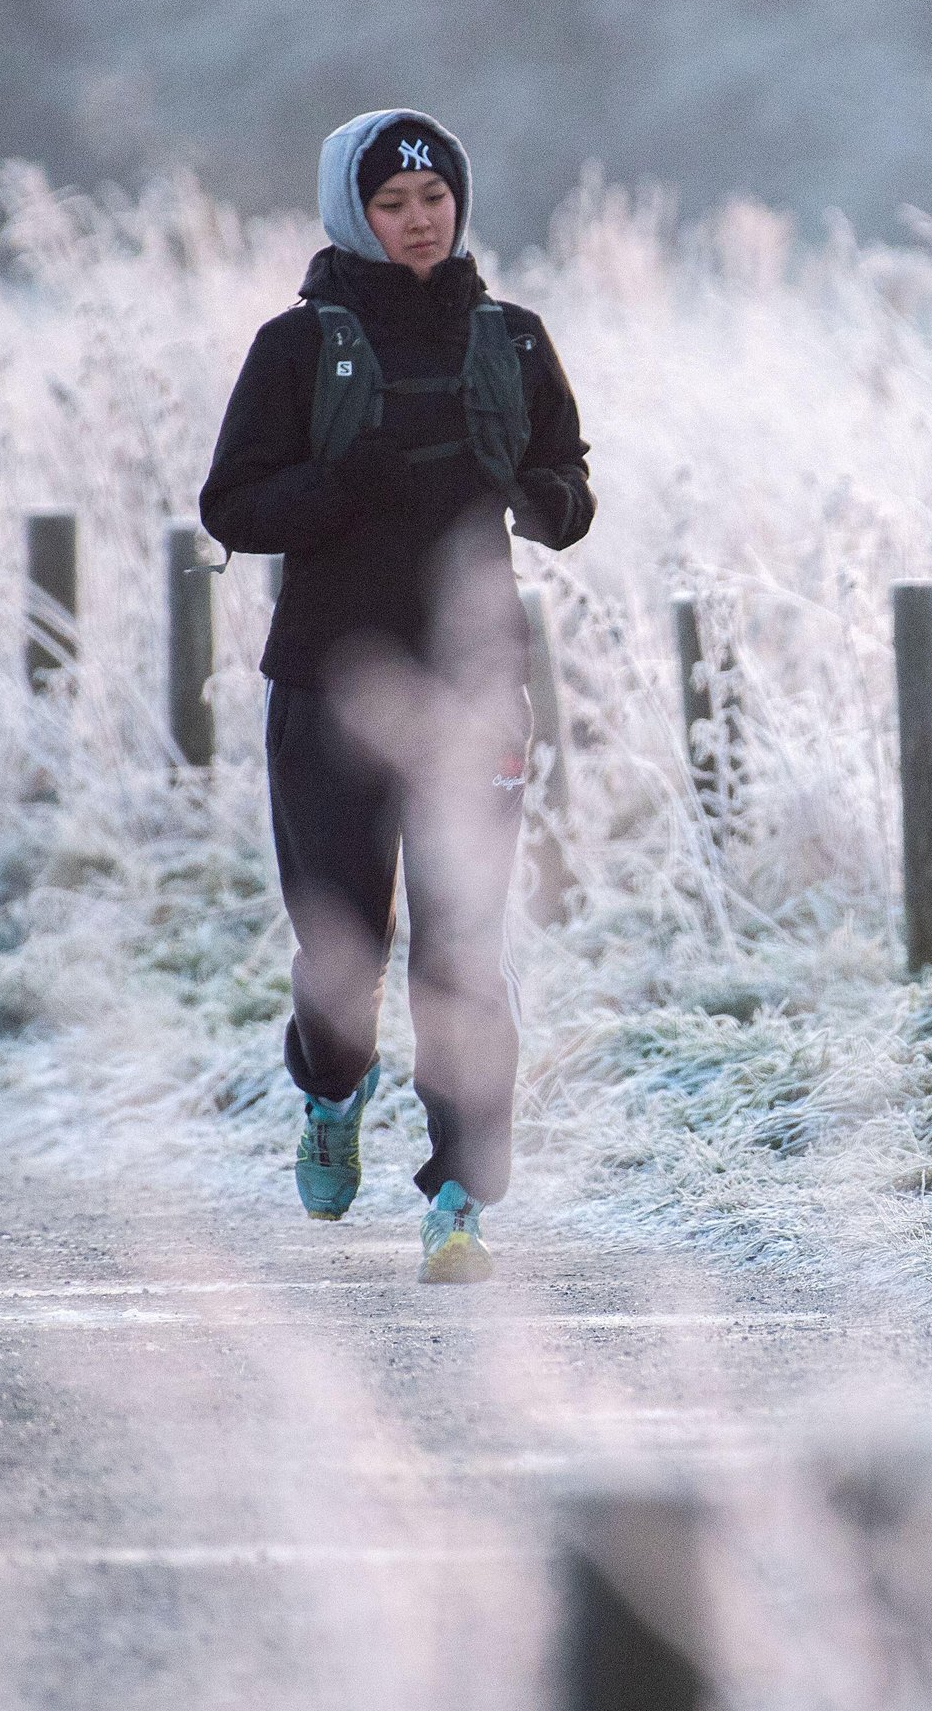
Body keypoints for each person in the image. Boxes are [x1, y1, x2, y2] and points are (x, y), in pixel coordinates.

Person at [199, 109, 592, 1283]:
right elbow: (233, 505)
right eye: (391, 204)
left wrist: (533, 495)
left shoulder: (512, 341)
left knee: (462, 947)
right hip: (329, 682)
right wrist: (334, 486)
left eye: (434, 200)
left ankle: (462, 1196)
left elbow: (570, 487)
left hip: (475, 690)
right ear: (350, 213)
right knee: (343, 948)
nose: (419, 222)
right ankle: (332, 1086)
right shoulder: (296, 347)